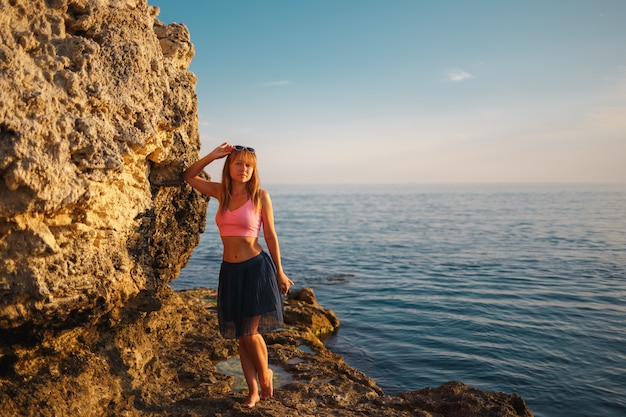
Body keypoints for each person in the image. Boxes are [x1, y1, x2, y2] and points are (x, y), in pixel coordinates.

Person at [183, 142, 293, 408]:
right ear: (229, 166)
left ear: (253, 170)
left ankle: (265, 375)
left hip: (256, 269)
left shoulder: (260, 196)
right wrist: (212, 155)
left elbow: (269, 235)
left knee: (248, 333)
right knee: (241, 336)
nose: (243, 169)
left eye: (248, 165)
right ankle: (253, 390)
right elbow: (188, 176)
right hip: (230, 271)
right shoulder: (221, 192)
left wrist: (279, 270)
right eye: (238, 163)